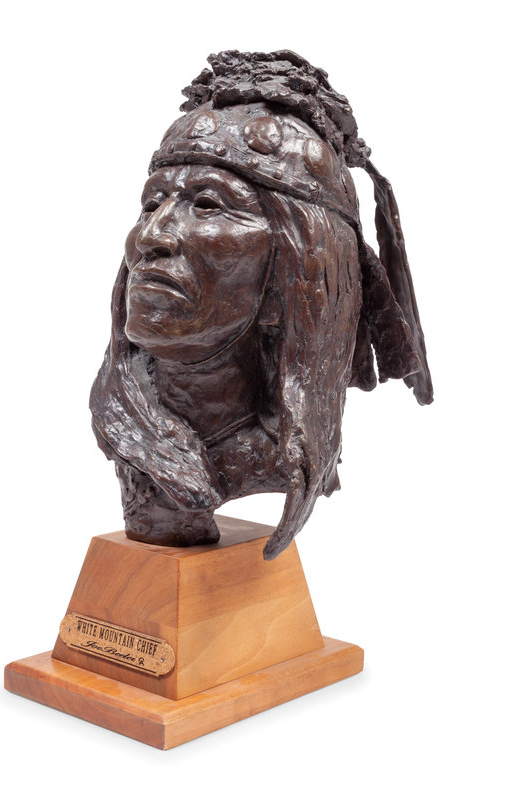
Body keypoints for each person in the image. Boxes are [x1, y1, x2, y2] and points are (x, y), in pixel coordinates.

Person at [90, 50, 432, 560]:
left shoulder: (272, 454)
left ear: (289, 274)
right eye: (152, 203)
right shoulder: (124, 417)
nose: (150, 236)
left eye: (207, 204)